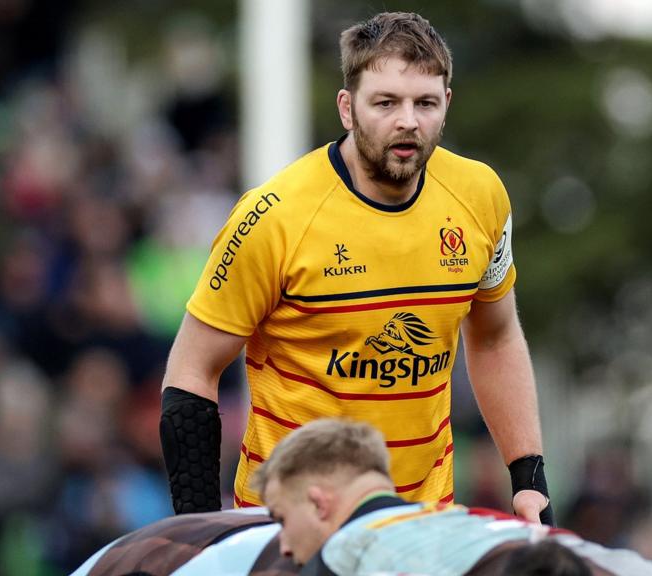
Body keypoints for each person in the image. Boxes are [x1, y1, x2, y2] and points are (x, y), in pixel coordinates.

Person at [160, 11, 551, 524]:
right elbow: (191, 370)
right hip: (292, 529)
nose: (407, 120)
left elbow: (495, 338)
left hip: (421, 524)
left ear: (446, 105)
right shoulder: (274, 215)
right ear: (347, 108)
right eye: (385, 102)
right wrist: (202, 531)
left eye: (425, 103)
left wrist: (528, 481)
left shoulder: (481, 196)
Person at [73, 419, 652, 576]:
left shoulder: (351, 552)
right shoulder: (466, 519)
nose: (281, 540)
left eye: (281, 517)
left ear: (321, 502)